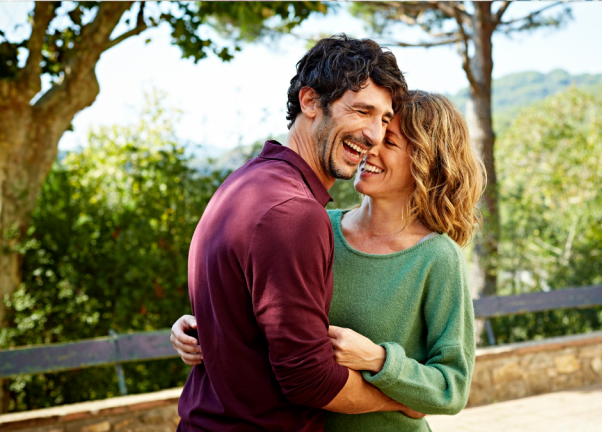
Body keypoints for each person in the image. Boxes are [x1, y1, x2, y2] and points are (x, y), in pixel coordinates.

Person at [173, 90, 485, 431]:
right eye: (375, 134)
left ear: (424, 162)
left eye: (389, 142)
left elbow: (452, 386)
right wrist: (208, 327)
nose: (370, 146)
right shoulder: (316, 227)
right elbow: (277, 325)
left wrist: (378, 359)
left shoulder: (437, 257)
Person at [172, 34, 414, 432]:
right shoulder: (293, 213)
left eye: (384, 120)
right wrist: (400, 399)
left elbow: (236, 318)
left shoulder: (242, 183)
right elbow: (308, 378)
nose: (374, 135)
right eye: (361, 111)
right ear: (310, 101)